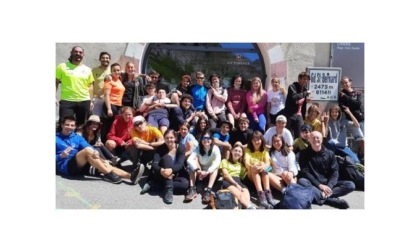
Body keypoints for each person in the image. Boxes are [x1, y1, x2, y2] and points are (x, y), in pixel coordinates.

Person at [56, 116, 143, 185]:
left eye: (72, 125)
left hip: (81, 166)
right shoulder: (55, 138)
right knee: (87, 151)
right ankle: (108, 174)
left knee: (104, 163)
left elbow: (88, 146)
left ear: (75, 126)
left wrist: (96, 152)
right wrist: (61, 156)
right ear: (62, 125)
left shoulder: (77, 137)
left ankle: (131, 176)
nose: (69, 127)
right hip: (66, 166)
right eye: (67, 125)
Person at [298, 131, 355, 209]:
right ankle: (330, 200)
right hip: (314, 184)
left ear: (321, 139)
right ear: (309, 140)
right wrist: (320, 185)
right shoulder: (303, 154)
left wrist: (329, 186)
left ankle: (322, 196)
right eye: (313, 138)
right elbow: (305, 172)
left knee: (350, 185)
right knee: (302, 181)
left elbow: (335, 172)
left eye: (318, 137)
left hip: (328, 183)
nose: (315, 139)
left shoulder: (330, 153)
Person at [56, 46, 94, 126]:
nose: (78, 54)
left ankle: (79, 138)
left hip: (84, 101)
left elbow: (90, 86)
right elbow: (55, 82)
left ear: (83, 54)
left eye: (80, 52)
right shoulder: (62, 66)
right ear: (71, 53)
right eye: (76, 52)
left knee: (82, 126)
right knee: (64, 125)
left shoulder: (88, 69)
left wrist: (90, 101)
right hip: (67, 101)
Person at [149, 130, 189, 204]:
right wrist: (161, 170)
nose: (169, 140)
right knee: (167, 158)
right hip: (161, 174)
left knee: (185, 184)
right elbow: (154, 164)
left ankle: (157, 185)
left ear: (175, 138)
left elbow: (180, 165)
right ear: (164, 138)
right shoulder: (160, 148)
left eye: (171, 137)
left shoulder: (181, 147)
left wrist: (171, 170)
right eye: (167, 138)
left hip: (174, 174)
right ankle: (168, 190)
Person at [185, 130, 221, 204]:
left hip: (210, 174)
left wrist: (207, 171)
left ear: (211, 140)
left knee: (216, 167)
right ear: (201, 139)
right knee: (192, 162)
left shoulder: (215, 148)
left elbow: (218, 162)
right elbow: (189, 159)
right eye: (204, 138)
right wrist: (198, 170)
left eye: (208, 138)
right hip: (200, 172)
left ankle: (208, 190)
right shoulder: (198, 148)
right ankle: (192, 189)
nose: (206, 140)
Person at [219, 143, 257, 209]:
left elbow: (245, 176)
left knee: (246, 198)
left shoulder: (242, 165)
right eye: (235, 150)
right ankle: (252, 208)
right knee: (240, 195)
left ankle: (248, 208)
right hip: (229, 181)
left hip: (240, 181)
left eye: (239, 151)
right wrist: (236, 185)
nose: (237, 152)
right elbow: (225, 175)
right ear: (232, 151)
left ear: (242, 154)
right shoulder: (225, 161)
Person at [244, 131, 275, 209]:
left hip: (263, 173)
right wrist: (253, 166)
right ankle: (261, 195)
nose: (256, 142)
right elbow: (246, 162)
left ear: (262, 140)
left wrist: (263, 166)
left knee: (265, 167)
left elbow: (268, 164)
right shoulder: (248, 150)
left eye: (258, 139)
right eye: (254, 140)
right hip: (251, 174)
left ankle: (268, 193)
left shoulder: (265, 151)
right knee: (254, 167)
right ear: (251, 141)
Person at [338, 76, 364, 160]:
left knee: (364, 140)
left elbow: (358, 104)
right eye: (343, 83)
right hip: (351, 120)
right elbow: (342, 107)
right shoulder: (341, 93)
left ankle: (362, 156)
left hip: (361, 119)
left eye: (346, 82)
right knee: (360, 139)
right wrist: (349, 105)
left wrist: (346, 97)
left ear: (350, 82)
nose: (345, 84)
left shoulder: (357, 93)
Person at [283, 71, 312, 138]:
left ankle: (297, 148)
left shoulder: (305, 90)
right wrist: (306, 93)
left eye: (307, 79)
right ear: (299, 79)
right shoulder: (292, 87)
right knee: (287, 135)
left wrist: (305, 101)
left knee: (300, 135)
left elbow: (301, 104)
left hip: (299, 115)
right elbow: (294, 97)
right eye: (304, 79)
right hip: (290, 114)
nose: (306, 81)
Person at [102, 63, 125, 141]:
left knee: (113, 126)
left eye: (118, 70)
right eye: (114, 70)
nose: (116, 72)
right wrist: (109, 109)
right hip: (111, 105)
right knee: (107, 126)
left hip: (118, 105)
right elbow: (106, 95)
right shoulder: (109, 81)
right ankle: (103, 143)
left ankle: (110, 143)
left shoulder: (119, 80)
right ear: (111, 71)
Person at [91, 52, 111, 116]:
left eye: (107, 58)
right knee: (95, 118)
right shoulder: (94, 70)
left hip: (109, 100)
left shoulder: (113, 70)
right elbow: (90, 84)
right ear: (100, 59)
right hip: (96, 99)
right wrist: (91, 98)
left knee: (105, 120)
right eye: (103, 58)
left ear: (110, 59)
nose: (105, 59)